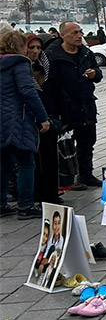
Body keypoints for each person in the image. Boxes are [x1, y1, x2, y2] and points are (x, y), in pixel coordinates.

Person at [42, 21, 102, 188]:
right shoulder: (52, 55)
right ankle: (67, 176)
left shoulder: (86, 53)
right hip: (65, 106)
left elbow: (98, 73)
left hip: (86, 104)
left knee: (87, 142)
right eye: (74, 33)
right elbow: (49, 84)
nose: (79, 36)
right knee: (64, 144)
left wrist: (94, 74)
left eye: (80, 32)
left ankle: (86, 174)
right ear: (63, 35)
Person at [0, 30, 49, 219]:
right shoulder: (20, 64)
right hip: (18, 120)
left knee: (3, 163)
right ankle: (25, 205)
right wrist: (42, 117)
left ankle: (1, 203)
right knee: (26, 162)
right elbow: (28, 91)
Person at [25, 35, 60, 204]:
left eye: (38, 48)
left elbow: (56, 91)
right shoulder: (21, 69)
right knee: (33, 161)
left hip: (49, 117)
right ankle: (35, 195)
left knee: (50, 158)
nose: (35, 51)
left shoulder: (46, 67)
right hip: (30, 119)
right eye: (31, 47)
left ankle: (51, 193)